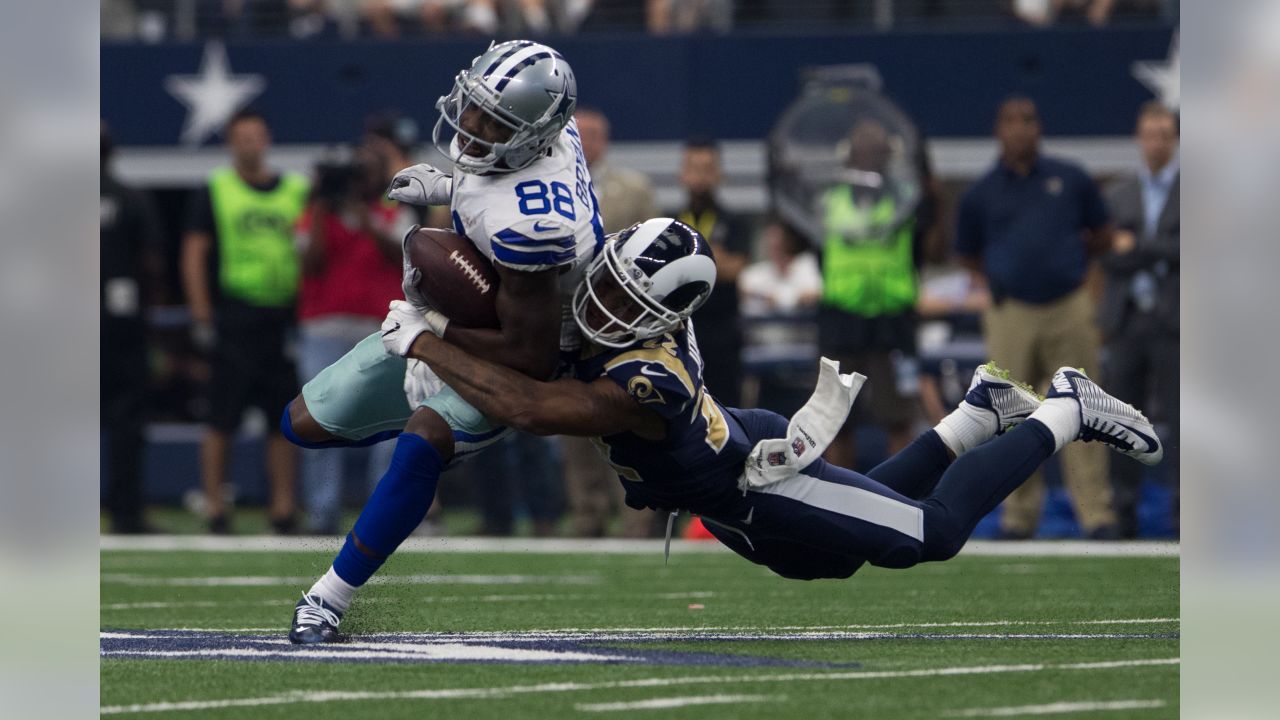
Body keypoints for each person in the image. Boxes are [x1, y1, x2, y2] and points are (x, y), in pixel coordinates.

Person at [348, 218, 1162, 648]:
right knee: (837, 560)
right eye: (608, 285)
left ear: (664, 320)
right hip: (731, 489)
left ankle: (1065, 408)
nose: (604, 306)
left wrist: (425, 342)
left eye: (628, 303)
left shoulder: (649, 377)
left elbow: (528, 408)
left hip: (762, 478)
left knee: (931, 535)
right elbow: (539, 244)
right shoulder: (604, 307)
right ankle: (977, 413)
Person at [284, 40, 600, 643]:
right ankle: (421, 428)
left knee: (423, 441)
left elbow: (529, 357)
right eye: (474, 107)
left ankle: (327, 599)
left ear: (533, 136)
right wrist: (455, 188)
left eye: (492, 122)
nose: (472, 125)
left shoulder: (534, 226)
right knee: (300, 423)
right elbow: (498, 177)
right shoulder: (550, 132)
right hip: (457, 318)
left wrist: (438, 339)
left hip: (533, 349)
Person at [955, 96, 1117, 540]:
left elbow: (1101, 235)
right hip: (1011, 313)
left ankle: (1096, 514)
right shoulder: (982, 192)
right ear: (998, 130)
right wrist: (1000, 280)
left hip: (1069, 305)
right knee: (1011, 415)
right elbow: (967, 253)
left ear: (1039, 128)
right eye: (1011, 121)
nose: (1020, 129)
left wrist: (1088, 292)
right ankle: (1018, 517)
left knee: (1085, 406)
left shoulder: (1070, 179)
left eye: (1028, 121)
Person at [181, 109, 310, 534]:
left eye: (256, 136)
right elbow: (195, 251)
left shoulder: (294, 189)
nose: (250, 145)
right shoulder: (217, 189)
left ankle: (282, 508)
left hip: (283, 315)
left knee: (283, 418)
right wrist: (201, 312)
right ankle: (215, 507)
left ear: (267, 139)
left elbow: (311, 248)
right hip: (236, 314)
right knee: (222, 416)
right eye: (242, 138)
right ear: (230, 144)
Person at [294, 145, 404, 535]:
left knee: (390, 428)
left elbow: (405, 256)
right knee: (322, 419)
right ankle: (322, 512)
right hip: (323, 330)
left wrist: (366, 218)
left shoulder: (393, 212)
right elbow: (311, 263)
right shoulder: (314, 216)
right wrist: (324, 206)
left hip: (381, 330)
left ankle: (382, 513)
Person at [567, 105, 659, 538]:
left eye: (595, 135)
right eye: (580, 134)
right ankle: (587, 512)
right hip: (567, 318)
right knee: (570, 415)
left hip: (622, 321)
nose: (588, 143)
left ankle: (635, 516)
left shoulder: (634, 189)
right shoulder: (550, 187)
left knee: (626, 413)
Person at [816, 118, 927, 471]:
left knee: (899, 417)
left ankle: (897, 497)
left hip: (892, 319)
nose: (869, 155)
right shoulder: (827, 202)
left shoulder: (908, 200)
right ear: (849, 155)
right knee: (834, 419)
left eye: (877, 149)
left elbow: (929, 246)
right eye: (861, 148)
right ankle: (837, 502)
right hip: (841, 316)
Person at [1099, 101, 1180, 538]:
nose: (1156, 142)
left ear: (1177, 139)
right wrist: (1161, 249)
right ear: (1138, 137)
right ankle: (1123, 511)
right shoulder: (1117, 194)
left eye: (1165, 134)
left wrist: (1141, 246)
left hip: (1177, 321)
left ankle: (1186, 513)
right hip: (1128, 319)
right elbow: (1107, 254)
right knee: (1122, 420)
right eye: (1150, 134)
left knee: (1186, 419)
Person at [101, 121, 166, 534]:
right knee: (126, 418)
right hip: (121, 322)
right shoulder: (130, 198)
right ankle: (126, 511)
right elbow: (152, 263)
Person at [676, 138, 749, 407]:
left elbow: (735, 269)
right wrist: (715, 257)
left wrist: (685, 261)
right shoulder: (670, 221)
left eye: (708, 168)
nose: (700, 176)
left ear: (720, 175)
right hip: (681, 332)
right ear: (681, 174)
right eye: (694, 168)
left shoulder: (735, 221)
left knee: (727, 409)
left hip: (724, 334)